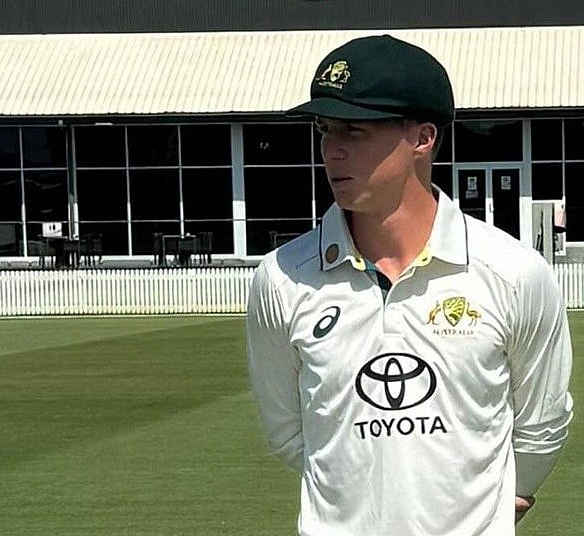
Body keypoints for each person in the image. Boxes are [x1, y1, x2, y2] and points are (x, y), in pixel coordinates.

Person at [246, 34, 573, 535]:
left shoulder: (513, 272)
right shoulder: (283, 277)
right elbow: (292, 433)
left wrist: (486, 504)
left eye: (353, 130)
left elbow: (542, 423)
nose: (331, 150)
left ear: (422, 138)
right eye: (325, 129)